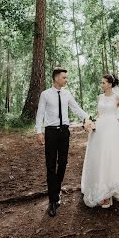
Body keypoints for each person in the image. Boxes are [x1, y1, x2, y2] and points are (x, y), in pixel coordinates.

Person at [36, 67, 91, 217]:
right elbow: (40, 113)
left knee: (63, 161)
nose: (66, 80)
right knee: (50, 164)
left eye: (66, 77)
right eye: (64, 78)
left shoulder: (67, 94)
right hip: (51, 132)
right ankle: (52, 200)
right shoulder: (45, 94)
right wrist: (38, 131)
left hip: (64, 132)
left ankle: (56, 189)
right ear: (56, 78)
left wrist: (88, 118)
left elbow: (76, 108)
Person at [81, 73, 119, 208]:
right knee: (100, 158)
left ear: (110, 84)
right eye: (101, 83)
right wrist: (92, 124)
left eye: (103, 82)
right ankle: (102, 190)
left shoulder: (117, 97)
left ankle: (110, 192)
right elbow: (99, 114)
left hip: (113, 129)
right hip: (100, 129)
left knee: (111, 157)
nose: (102, 84)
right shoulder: (99, 97)